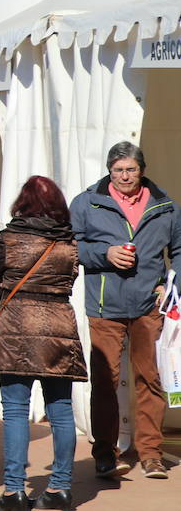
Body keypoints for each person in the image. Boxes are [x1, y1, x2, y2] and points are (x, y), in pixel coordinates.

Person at [69, 141, 180, 481]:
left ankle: (150, 454)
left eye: (130, 169)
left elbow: (178, 251)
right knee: (105, 381)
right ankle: (105, 452)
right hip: (105, 305)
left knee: (151, 378)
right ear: (109, 172)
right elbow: (71, 246)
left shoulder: (165, 206)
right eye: (117, 170)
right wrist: (106, 253)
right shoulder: (86, 202)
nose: (124, 176)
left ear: (142, 170)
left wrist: (172, 285)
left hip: (150, 305)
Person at [0, 176, 86, 511]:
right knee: (61, 411)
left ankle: (14, 492)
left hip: (16, 325)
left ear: (22, 203)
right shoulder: (69, 242)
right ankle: (60, 488)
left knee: (15, 411)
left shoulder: (9, 238)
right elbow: (69, 281)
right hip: (59, 325)